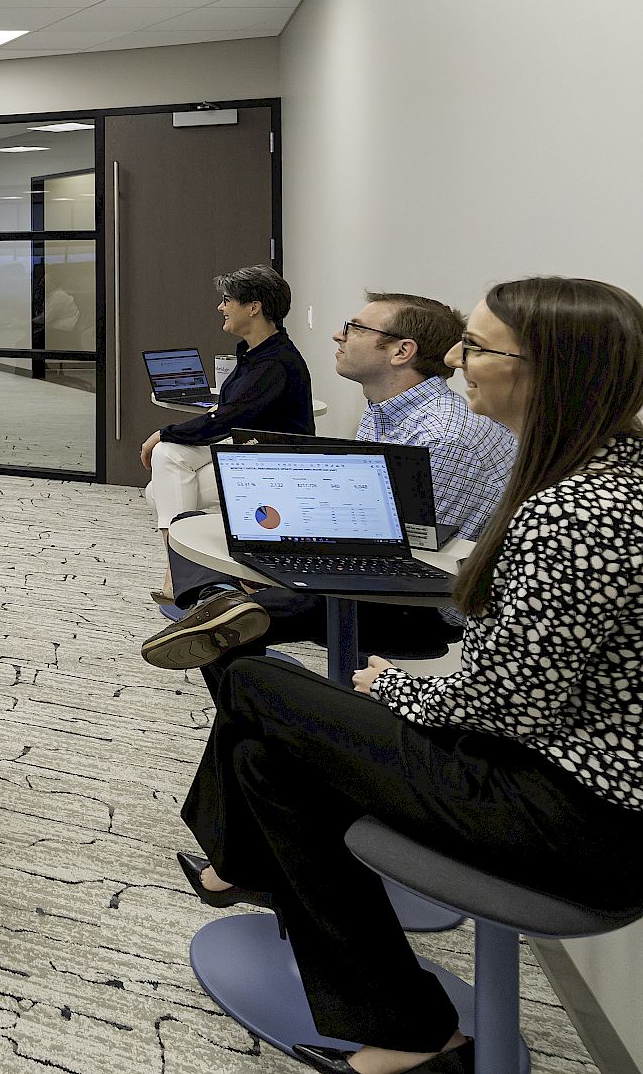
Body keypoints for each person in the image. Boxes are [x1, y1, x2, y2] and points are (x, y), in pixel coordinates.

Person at [177, 276, 643, 1074]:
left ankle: (241, 867)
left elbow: (508, 707)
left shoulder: (574, 511)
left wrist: (392, 686)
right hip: (557, 780)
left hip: (567, 812)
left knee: (255, 685)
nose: (457, 359)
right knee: (266, 756)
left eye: (479, 347)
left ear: (545, 370)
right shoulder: (607, 471)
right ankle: (408, 1030)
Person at [142, 291, 517, 676]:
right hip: (379, 565)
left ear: (402, 351)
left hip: (415, 602)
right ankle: (220, 602)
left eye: (354, 328)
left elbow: (407, 552)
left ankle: (255, 681)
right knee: (195, 529)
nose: (339, 335)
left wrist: (275, 563)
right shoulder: (389, 412)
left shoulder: (441, 435)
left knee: (223, 629)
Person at [144, 265, 314, 597]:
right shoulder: (255, 353)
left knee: (162, 477)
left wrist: (161, 432)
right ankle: (192, 572)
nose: (221, 307)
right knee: (163, 475)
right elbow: (229, 413)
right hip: (247, 450)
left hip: (273, 466)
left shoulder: (274, 363)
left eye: (227, 300)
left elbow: (224, 420)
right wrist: (168, 435)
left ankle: (183, 572)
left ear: (254, 307)